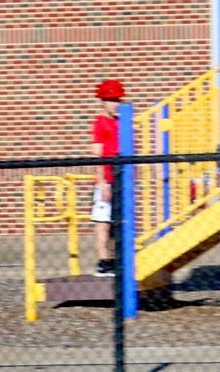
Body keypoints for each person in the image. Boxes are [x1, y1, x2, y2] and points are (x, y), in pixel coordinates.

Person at [91, 79, 125, 277]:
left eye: (117, 99)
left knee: (116, 222)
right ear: (103, 102)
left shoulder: (121, 122)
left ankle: (113, 258)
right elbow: (97, 155)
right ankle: (103, 261)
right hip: (107, 180)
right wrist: (102, 183)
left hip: (120, 179)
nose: (115, 103)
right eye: (111, 100)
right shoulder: (100, 123)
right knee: (103, 221)